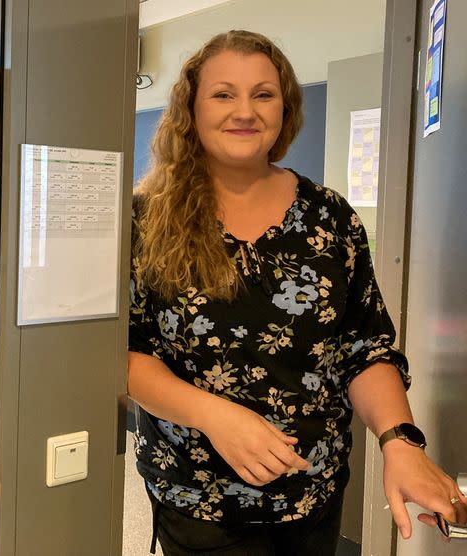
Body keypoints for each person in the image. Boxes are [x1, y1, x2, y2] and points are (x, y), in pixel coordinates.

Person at [127, 30, 466, 556]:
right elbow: (125, 353)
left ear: (285, 108)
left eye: (263, 94)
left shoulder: (329, 218)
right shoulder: (145, 220)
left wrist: (401, 441)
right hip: (196, 497)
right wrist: (216, 416)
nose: (245, 110)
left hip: (313, 495)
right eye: (223, 94)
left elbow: (365, 348)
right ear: (190, 109)